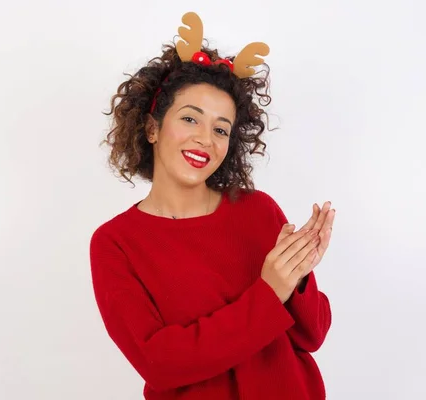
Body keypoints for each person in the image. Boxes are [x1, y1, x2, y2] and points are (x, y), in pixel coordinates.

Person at [89, 11, 336, 400]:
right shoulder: (115, 242)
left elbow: (313, 335)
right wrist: (269, 293)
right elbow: (161, 364)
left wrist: (298, 276)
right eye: (191, 119)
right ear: (152, 128)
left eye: (221, 128)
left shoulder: (259, 210)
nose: (206, 139)